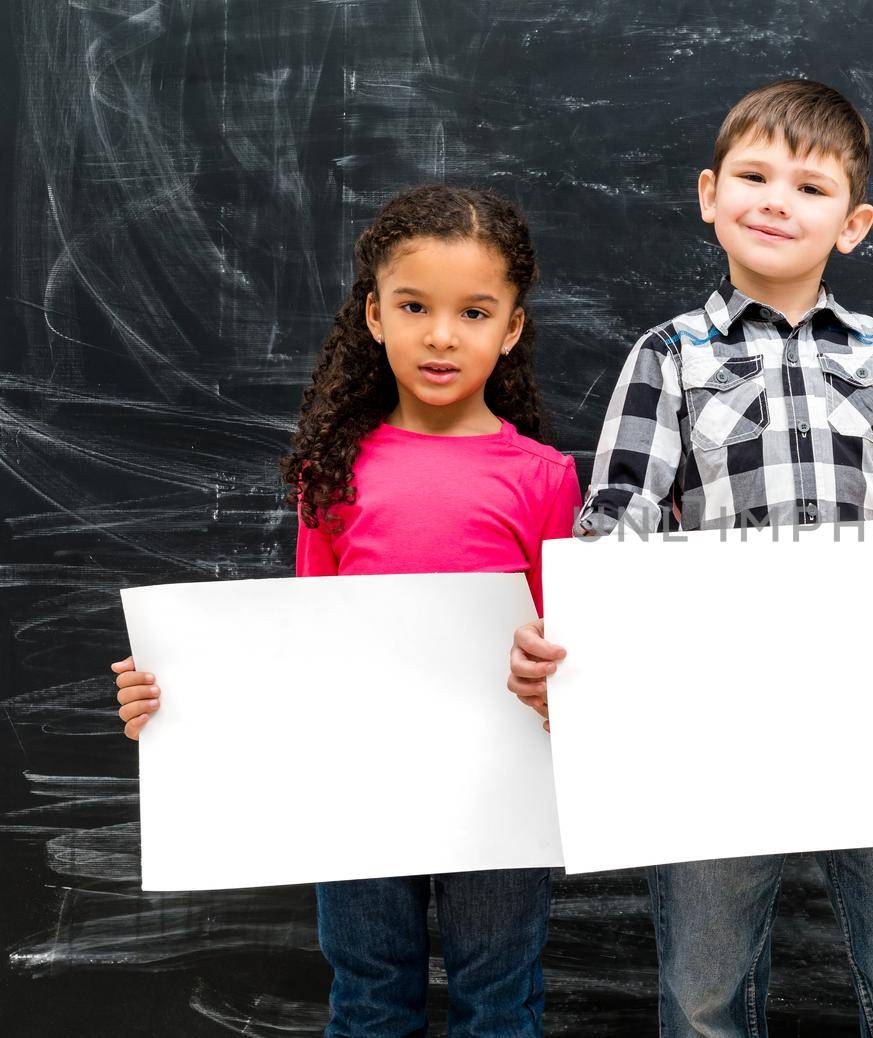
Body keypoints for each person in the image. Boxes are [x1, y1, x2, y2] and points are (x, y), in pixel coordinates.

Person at [506, 79, 873, 1037]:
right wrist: (573, 627)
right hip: (714, 718)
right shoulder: (667, 357)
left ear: (854, 223)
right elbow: (621, 509)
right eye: (753, 175)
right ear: (709, 195)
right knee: (704, 999)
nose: (777, 199)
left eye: (810, 186)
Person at [112, 185, 579, 1038]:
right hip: (358, 783)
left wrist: (564, 693)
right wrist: (172, 701)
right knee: (369, 1000)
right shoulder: (331, 470)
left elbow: (560, 651)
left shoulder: (544, 475)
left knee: (500, 1002)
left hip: (501, 792)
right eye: (414, 306)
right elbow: (303, 642)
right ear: (374, 315)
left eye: (474, 312)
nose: (442, 335)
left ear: (510, 329)